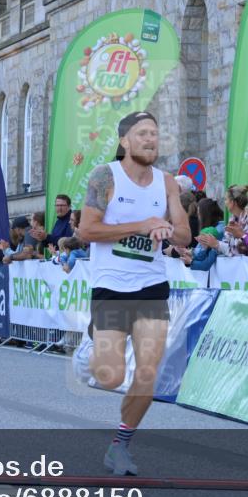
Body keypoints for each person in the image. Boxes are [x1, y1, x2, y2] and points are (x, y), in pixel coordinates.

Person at [79, 111, 191, 476]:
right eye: (142, 134)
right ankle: (90, 345)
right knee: (110, 376)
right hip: (112, 286)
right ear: (125, 141)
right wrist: (141, 226)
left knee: (147, 373)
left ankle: (120, 446)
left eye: (155, 134)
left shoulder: (168, 182)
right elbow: (87, 231)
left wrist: (166, 230)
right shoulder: (104, 177)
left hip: (151, 287)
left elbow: (185, 237)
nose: (150, 140)